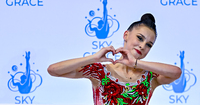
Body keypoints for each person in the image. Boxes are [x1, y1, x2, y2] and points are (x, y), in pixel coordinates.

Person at [47, 13, 181, 105]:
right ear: (126, 35)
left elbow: (176, 72)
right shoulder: (99, 72)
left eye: (148, 45)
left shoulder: (151, 78)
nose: (142, 46)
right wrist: (93, 58)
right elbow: (53, 70)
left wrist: (136, 63)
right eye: (140, 38)